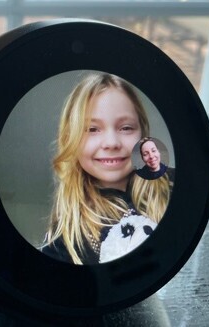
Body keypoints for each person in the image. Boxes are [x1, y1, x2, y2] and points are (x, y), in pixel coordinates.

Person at [42, 72, 172, 265]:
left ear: (143, 133)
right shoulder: (62, 242)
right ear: (71, 139)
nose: (111, 143)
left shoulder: (177, 186)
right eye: (92, 129)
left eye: (126, 128)